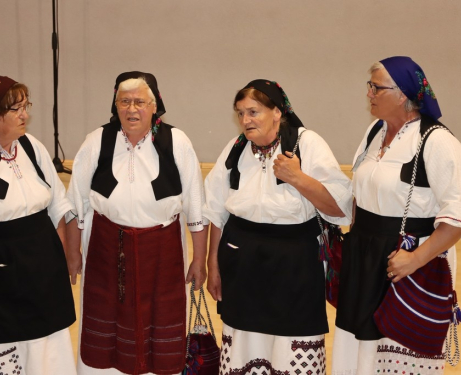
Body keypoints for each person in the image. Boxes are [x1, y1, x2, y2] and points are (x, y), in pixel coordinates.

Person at [203, 79, 352, 374]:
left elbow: (340, 209)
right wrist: (213, 263)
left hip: (295, 263)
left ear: (277, 112)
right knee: (245, 348)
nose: (245, 120)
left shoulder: (306, 144)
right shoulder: (235, 149)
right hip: (241, 262)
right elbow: (216, 211)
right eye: (240, 113)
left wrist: (297, 177)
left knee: (292, 349)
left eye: (253, 112)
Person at [66, 71, 208, 375]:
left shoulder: (176, 141)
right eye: (125, 102)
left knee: (161, 321)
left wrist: (199, 259)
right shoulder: (97, 141)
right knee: (105, 321)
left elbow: (196, 206)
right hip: (106, 250)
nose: (132, 109)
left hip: (163, 250)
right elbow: (75, 203)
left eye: (140, 102)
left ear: (154, 106)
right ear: (115, 106)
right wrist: (74, 252)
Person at [332, 56, 461, 375]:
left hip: (407, 261)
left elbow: (458, 213)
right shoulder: (374, 132)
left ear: (403, 93)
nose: (369, 94)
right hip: (365, 256)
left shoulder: (437, 141)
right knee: (361, 353)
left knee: (399, 352)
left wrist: (414, 259)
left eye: (376, 87)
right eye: (370, 86)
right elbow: (357, 195)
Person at [0, 74, 76, 374]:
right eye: (17, 109)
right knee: (7, 353)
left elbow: (57, 206)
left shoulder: (30, 146)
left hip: (43, 274)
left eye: (27, 106)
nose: (26, 114)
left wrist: (60, 262)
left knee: (48, 353)